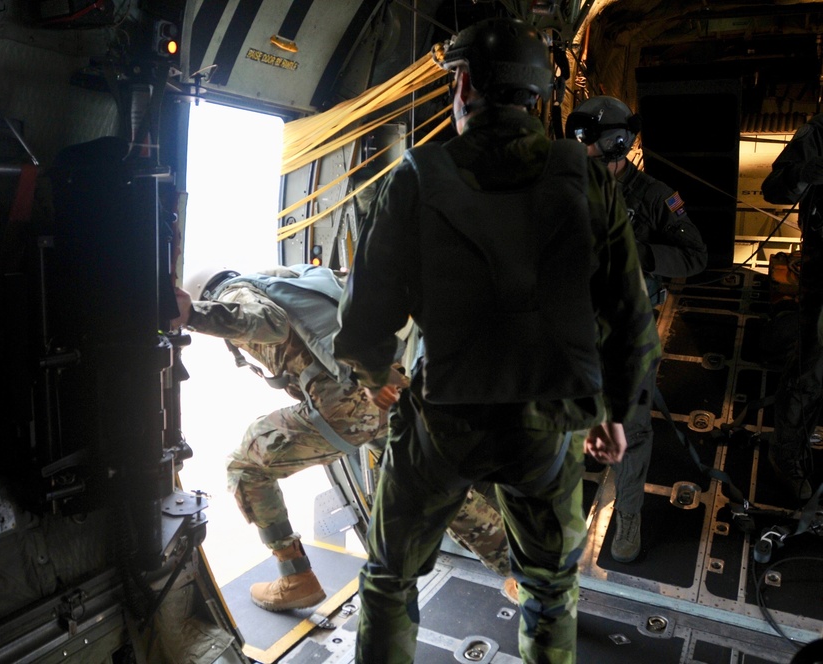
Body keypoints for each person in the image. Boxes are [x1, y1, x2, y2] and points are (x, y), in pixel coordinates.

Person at [333, 17, 660, 664]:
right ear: (537, 96)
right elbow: (631, 315)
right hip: (548, 422)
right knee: (547, 590)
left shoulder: (414, 177)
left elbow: (364, 322)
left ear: (462, 85)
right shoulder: (589, 180)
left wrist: (384, 381)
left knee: (389, 580)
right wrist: (616, 414)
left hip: (441, 420)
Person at [170, 264, 516, 613]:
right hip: (389, 387)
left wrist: (194, 315)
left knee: (246, 466)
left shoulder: (235, 295)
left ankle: (296, 577)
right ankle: (524, 569)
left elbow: (268, 324)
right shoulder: (288, 279)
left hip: (347, 406)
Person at [566, 96, 708, 562]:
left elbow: (695, 256)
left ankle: (628, 513)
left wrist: (640, 252)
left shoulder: (653, 196)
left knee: (631, 426)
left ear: (617, 146)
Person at [761, 113, 823, 502]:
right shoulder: (818, 135)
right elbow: (774, 189)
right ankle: (785, 455)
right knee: (812, 367)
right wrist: (809, 171)